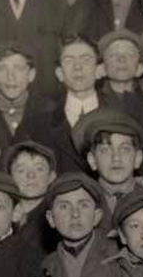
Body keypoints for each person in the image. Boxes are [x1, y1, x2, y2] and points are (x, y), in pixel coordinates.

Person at [15, 35, 102, 175]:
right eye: (69, 60)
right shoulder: (33, 128)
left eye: (86, 60)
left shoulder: (122, 119)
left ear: (99, 71)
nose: (77, 67)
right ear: (60, 73)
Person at [72, 108, 143, 233]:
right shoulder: (80, 204)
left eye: (125, 149)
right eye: (105, 150)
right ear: (92, 160)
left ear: (137, 158)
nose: (116, 158)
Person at [96, 30, 143, 174]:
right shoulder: (91, 103)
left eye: (130, 54)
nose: (122, 59)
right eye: (113, 54)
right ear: (103, 68)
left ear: (139, 69)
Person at [0, 42, 54, 152]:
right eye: (2, 68)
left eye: (18, 68)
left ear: (31, 75)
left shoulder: (51, 111)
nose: (10, 77)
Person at [4, 139, 59, 254]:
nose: (31, 175)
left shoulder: (56, 217)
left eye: (39, 169)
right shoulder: (1, 214)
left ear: (51, 177)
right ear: (9, 178)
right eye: (21, 170)